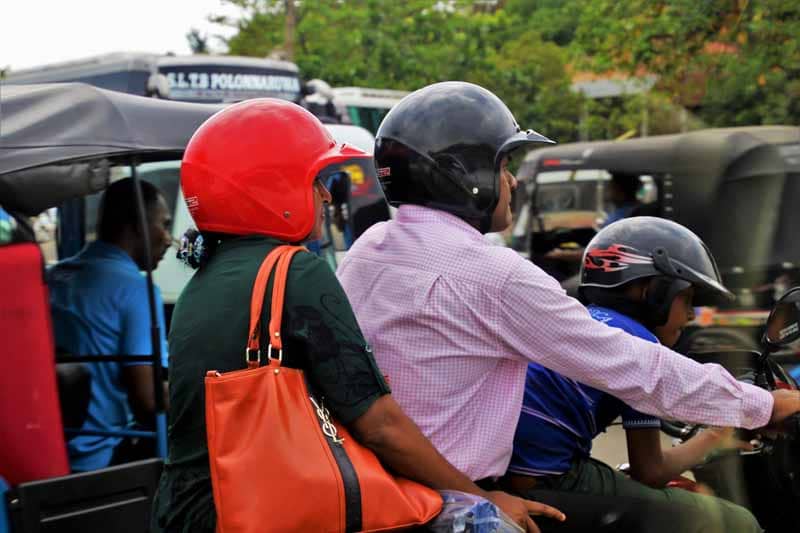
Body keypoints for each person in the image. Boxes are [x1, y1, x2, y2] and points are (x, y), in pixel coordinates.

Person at [336, 81, 800, 531]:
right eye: (503, 165)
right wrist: (762, 405)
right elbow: (632, 365)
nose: (512, 181)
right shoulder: (494, 275)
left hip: (376, 488)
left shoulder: (368, 249)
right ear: (464, 174)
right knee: (723, 524)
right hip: (456, 502)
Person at [151, 98, 564, 533]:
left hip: (184, 507)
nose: (327, 196)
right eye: (316, 181)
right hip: (249, 510)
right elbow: (380, 424)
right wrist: (483, 500)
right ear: (271, 189)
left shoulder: (203, 279)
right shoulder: (294, 271)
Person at [504, 216, 762, 532]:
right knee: (736, 522)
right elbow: (649, 470)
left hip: (513, 474)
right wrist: (717, 436)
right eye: (688, 299)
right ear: (653, 292)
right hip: (549, 482)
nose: (690, 316)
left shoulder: (586, 321)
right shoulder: (637, 346)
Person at [47, 177, 172, 472]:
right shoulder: (136, 290)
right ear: (136, 225)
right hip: (104, 455)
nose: (168, 238)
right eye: (164, 225)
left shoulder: (55, 277)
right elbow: (149, 401)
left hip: (55, 447)